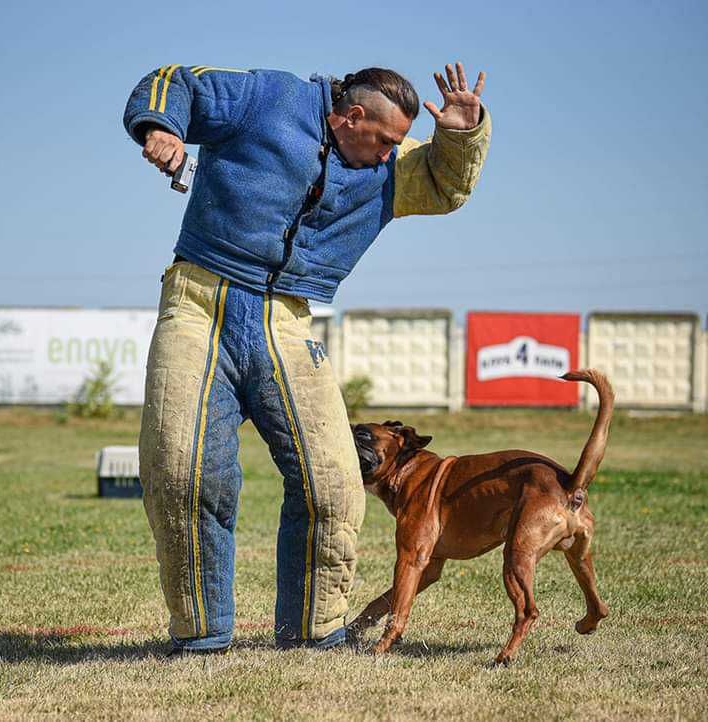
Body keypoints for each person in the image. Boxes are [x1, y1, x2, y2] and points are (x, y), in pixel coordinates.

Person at [123, 61, 490, 653]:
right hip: (197, 303)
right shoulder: (268, 98)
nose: (392, 155)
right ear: (350, 116)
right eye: (388, 141)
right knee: (183, 472)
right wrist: (159, 128)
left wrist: (461, 135)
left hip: (288, 322)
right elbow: (176, 81)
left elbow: (447, 184)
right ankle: (200, 638)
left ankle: (313, 634)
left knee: (334, 482)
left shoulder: (388, 169)